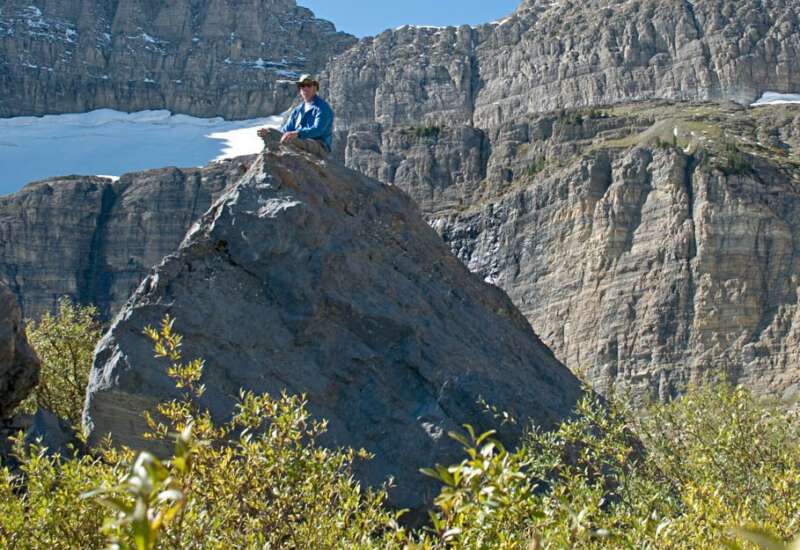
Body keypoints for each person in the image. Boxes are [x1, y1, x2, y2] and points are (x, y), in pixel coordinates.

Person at [257, 74, 334, 156]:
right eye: (302, 85)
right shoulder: (298, 110)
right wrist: (270, 132)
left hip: (319, 145)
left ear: (315, 88)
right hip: (299, 141)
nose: (305, 88)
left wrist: (298, 133)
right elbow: (286, 130)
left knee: (290, 139)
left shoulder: (322, 108)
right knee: (269, 133)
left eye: (308, 85)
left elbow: (318, 130)